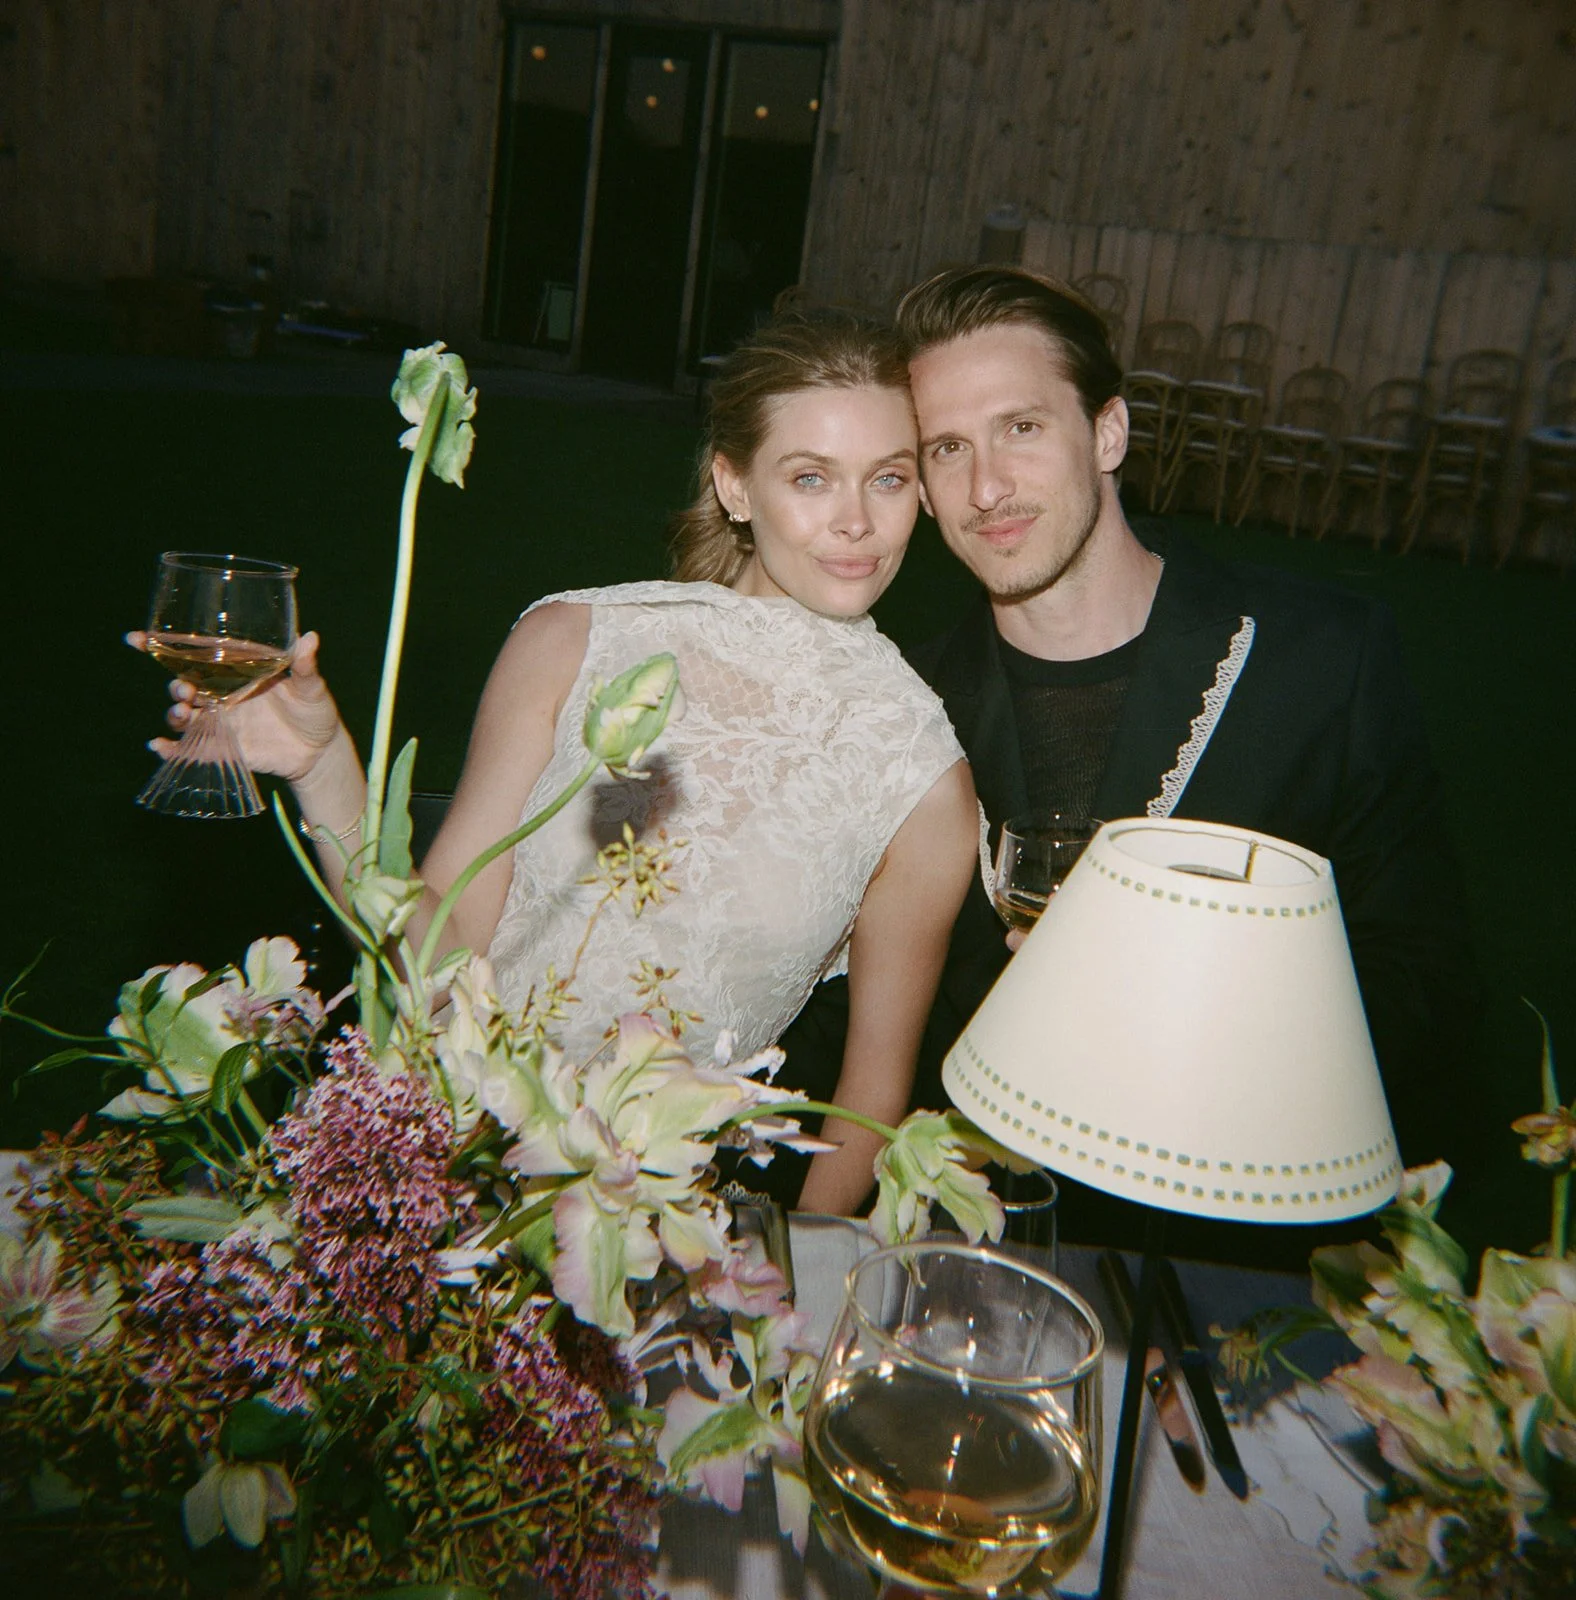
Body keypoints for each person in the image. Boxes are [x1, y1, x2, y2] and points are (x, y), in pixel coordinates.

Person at [135, 309, 978, 1217]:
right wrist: (325, 765)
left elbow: (869, 1102)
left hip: (635, 1247)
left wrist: (801, 1291)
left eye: (887, 479)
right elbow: (437, 958)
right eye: (811, 477)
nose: (856, 522)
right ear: (734, 484)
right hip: (426, 1169)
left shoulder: (921, 778)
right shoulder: (574, 640)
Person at [890, 264, 1478, 1254]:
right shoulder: (903, 702)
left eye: (1021, 428)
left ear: (1107, 433)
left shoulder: (1319, 660)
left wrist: (1186, 1001)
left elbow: (1428, 984)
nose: (984, 487)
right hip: (978, 1251)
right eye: (947, 448)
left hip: (1232, 1259)